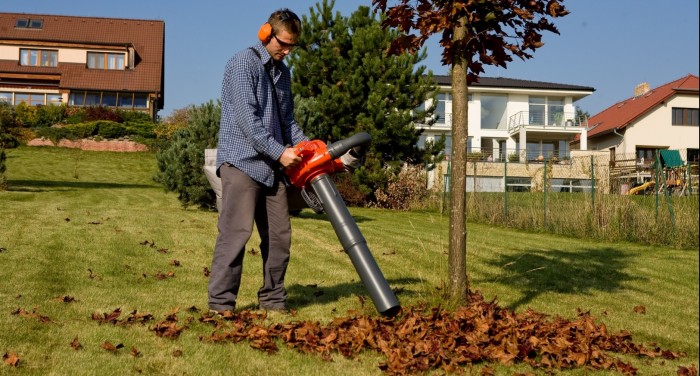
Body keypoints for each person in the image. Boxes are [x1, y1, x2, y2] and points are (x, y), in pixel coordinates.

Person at [208, 8, 307, 313]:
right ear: (266, 34)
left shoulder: (283, 73)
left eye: (293, 46)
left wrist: (309, 148)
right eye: (283, 44)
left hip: (271, 169)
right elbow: (249, 123)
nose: (287, 51)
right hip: (242, 162)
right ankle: (221, 305)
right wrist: (280, 152)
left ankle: (273, 300)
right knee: (236, 234)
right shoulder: (243, 64)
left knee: (279, 238)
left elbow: (286, 120)